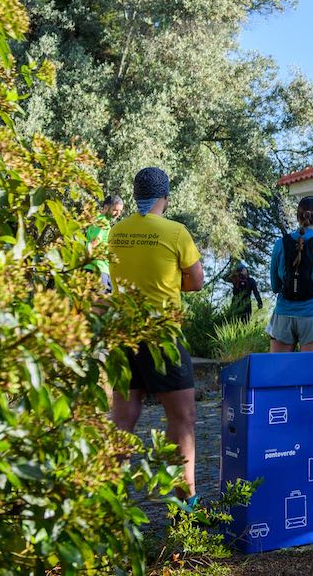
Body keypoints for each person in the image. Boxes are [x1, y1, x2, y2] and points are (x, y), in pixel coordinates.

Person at [107, 168, 203, 505]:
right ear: (166, 196)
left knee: (122, 420)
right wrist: (169, 282)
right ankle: (185, 504)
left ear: (136, 196)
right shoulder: (176, 232)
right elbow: (196, 282)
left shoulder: (116, 232)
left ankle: (111, 503)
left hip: (123, 334)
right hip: (162, 336)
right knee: (183, 419)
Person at [267, 196, 313, 353]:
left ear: (297, 216)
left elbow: (275, 287)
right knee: (309, 368)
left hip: (283, 315)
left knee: (279, 367)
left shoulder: (280, 244)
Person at [85, 194, 124, 291]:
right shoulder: (102, 222)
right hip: (97, 269)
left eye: (120, 211)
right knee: (98, 299)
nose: (118, 214)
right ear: (106, 207)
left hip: (101, 269)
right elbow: (94, 243)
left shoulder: (100, 220)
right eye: (115, 210)